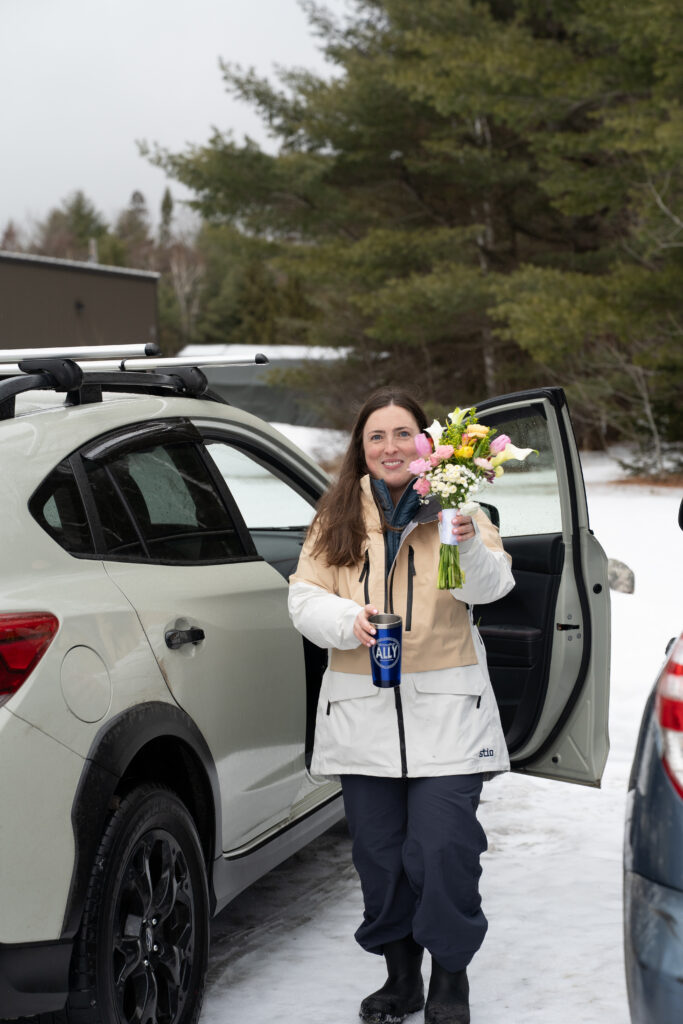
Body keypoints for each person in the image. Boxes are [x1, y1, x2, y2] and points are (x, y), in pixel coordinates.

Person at [288, 388, 514, 1024]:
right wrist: (346, 618)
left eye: (403, 434)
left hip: (448, 713)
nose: (390, 447)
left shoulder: (456, 505)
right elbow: (303, 598)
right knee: (380, 856)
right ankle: (400, 977)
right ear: (361, 450)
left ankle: (450, 976)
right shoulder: (334, 517)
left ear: (426, 445)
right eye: (376, 437)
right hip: (362, 716)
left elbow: (492, 586)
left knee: (443, 849)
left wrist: (465, 541)